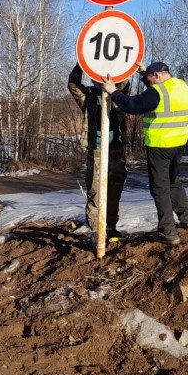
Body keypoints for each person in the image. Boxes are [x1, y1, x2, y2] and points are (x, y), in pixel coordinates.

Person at [103, 62, 188, 246]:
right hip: (178, 143)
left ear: (158, 76)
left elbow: (132, 105)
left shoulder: (156, 92)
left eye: (150, 79)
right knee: (173, 180)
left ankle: (168, 232)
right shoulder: (182, 86)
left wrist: (113, 91)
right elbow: (160, 96)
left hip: (160, 145)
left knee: (160, 188)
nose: (148, 82)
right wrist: (145, 72)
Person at [68, 63, 130, 242]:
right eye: (97, 76)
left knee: (114, 190)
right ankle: (97, 230)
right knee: (96, 191)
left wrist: (121, 69)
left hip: (116, 150)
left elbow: (125, 79)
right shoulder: (87, 95)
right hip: (96, 149)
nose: (101, 79)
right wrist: (83, 63)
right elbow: (72, 84)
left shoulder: (118, 95)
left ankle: (110, 228)